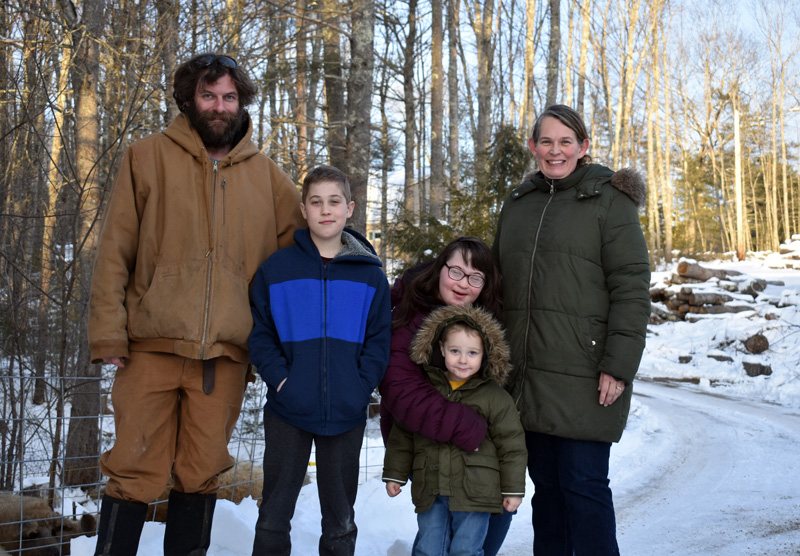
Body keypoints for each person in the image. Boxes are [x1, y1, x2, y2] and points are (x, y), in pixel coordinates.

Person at [87, 53, 304, 556]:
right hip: (149, 347)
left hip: (226, 356)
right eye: (209, 95)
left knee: (201, 472)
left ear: (241, 102)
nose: (219, 106)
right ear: (188, 98)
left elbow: (301, 254)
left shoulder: (269, 177)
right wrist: (108, 331)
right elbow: (115, 250)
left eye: (229, 97)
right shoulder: (146, 156)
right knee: (133, 469)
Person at [492, 104, 651, 555]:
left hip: (586, 373)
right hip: (527, 375)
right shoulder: (519, 203)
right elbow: (497, 281)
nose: (555, 150)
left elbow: (632, 287)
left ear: (583, 147)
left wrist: (618, 366)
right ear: (533, 146)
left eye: (566, 141)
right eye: (546, 141)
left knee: (584, 488)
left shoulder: (610, 201)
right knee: (548, 492)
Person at [248, 165, 392, 556]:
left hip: (345, 412)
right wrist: (281, 381)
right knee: (274, 514)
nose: (325, 210)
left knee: (341, 520)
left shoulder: (371, 277)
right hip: (287, 409)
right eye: (316, 202)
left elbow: (379, 341)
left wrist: (360, 386)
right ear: (304, 209)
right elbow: (260, 335)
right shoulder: (276, 270)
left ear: (350, 208)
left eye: (334, 202)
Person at [378, 237, 514, 555]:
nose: (463, 284)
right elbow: (401, 389)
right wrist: (471, 426)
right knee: (435, 537)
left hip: (477, 455)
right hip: (427, 444)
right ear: (440, 268)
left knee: (480, 530)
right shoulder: (412, 313)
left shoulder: (486, 321)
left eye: (475, 277)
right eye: (456, 271)